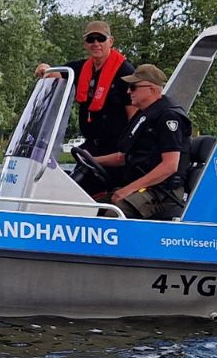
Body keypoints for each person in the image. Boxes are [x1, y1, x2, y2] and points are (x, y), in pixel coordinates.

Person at [87, 64, 191, 219]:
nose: (128, 91)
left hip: (162, 191)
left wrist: (128, 189)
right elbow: (122, 157)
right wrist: (90, 160)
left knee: (113, 214)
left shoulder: (168, 117)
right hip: (144, 186)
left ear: (152, 89)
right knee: (90, 207)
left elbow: (169, 166)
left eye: (133, 87)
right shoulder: (143, 115)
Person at [34, 21, 135, 156]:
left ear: (110, 41)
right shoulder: (80, 68)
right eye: (90, 39)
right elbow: (54, 73)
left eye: (101, 38)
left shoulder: (125, 72)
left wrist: (127, 152)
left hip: (115, 149)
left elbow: (134, 116)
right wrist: (44, 68)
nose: (96, 43)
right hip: (91, 146)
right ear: (85, 43)